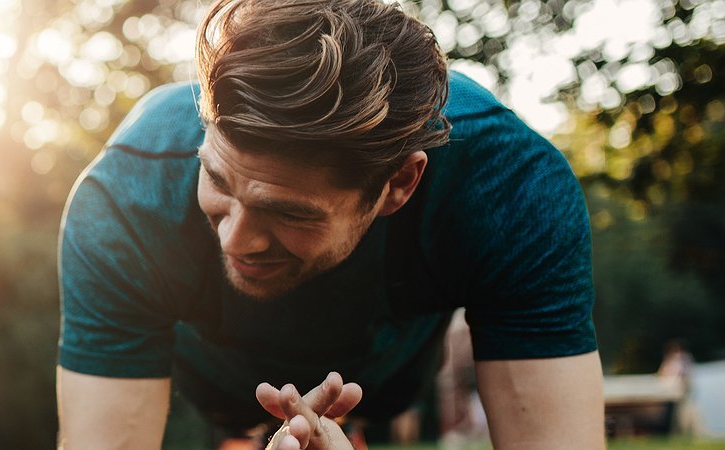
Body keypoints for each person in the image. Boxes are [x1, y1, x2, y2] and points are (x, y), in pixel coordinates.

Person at [54, 0, 604, 448]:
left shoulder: (511, 190)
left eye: (288, 211)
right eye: (219, 181)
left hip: (386, 382)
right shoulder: (124, 201)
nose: (235, 239)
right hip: (221, 389)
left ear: (400, 184)